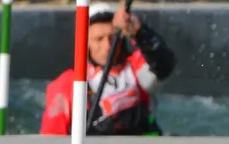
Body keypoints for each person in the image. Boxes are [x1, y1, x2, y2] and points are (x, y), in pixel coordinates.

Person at [41, 2, 176, 136]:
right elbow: (52, 138)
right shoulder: (67, 84)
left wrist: (139, 31)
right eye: (99, 39)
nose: (107, 46)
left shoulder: (135, 67)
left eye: (112, 38)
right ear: (85, 43)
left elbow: (164, 64)